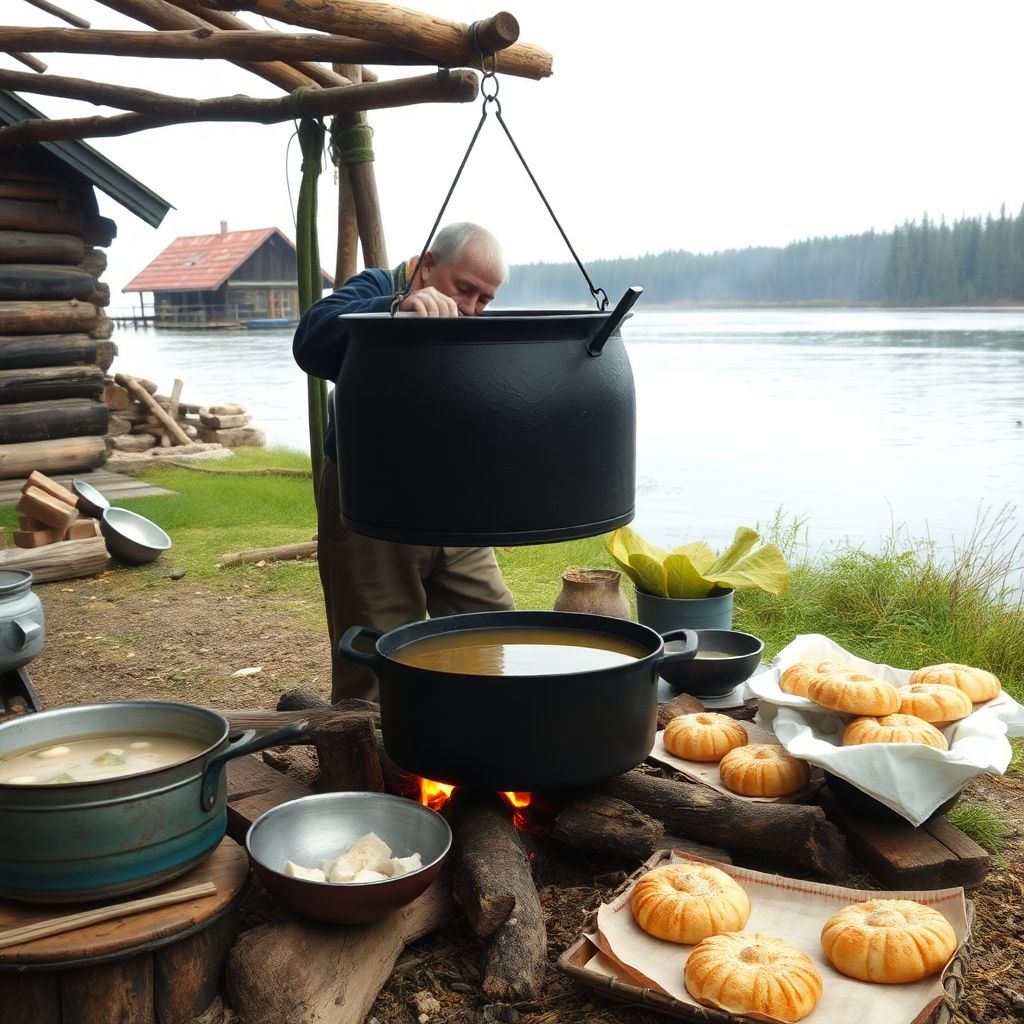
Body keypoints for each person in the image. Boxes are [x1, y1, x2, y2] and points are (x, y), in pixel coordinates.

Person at [293, 222, 515, 702]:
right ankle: (370, 765)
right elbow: (310, 340)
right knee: (376, 651)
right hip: (373, 499)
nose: (472, 308)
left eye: (485, 299)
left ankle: (481, 747)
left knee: (491, 622)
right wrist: (395, 311)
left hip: (453, 503)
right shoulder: (379, 288)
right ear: (427, 264)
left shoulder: (471, 325)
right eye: (465, 289)